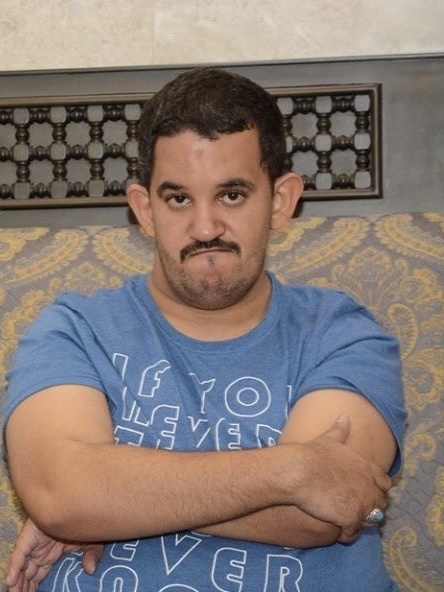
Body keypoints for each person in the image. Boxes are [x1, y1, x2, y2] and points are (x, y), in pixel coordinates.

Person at [4, 67, 405, 592]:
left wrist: (105, 501)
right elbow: (60, 494)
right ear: (145, 210)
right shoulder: (75, 329)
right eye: (178, 199)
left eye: (232, 195)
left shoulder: (341, 334)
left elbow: (322, 512)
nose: (205, 227)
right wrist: (293, 470)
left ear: (281, 200)